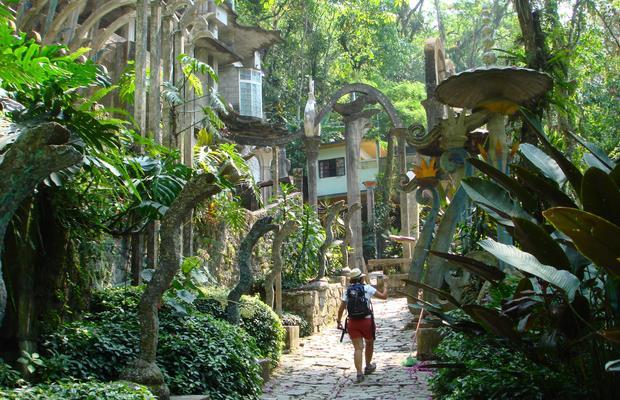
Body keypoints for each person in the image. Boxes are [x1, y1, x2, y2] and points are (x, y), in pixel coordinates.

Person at [337, 268, 388, 383]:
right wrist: (385, 284)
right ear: (361, 278)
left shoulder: (347, 291)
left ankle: (359, 373)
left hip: (352, 322)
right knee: (369, 343)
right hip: (366, 321)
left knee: (358, 348)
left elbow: (341, 309)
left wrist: (338, 321)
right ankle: (368, 366)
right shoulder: (367, 288)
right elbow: (384, 296)